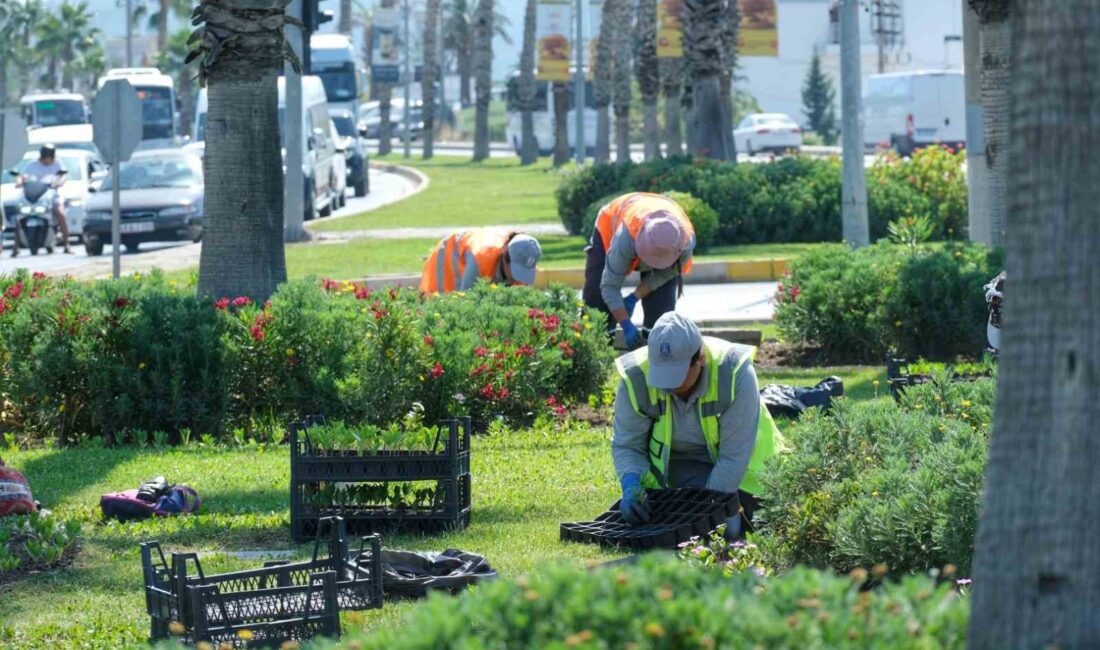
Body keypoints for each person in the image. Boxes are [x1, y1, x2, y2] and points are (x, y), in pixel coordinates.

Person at [611, 312, 786, 538]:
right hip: (682, 471)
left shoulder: (734, 371)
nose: (668, 386)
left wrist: (709, 514)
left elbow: (733, 458)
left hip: (747, 476)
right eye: (662, 375)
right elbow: (627, 445)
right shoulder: (636, 377)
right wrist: (630, 483)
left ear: (700, 358)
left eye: (677, 375)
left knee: (731, 531)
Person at [582, 192, 695, 348]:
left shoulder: (685, 243)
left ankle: (657, 352)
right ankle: (596, 351)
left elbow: (662, 276)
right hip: (611, 225)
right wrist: (626, 324)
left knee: (662, 303)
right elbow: (609, 286)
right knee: (596, 296)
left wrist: (634, 297)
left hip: (656, 225)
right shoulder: (626, 237)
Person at [419, 229, 543, 294]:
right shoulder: (480, 259)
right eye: (515, 271)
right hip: (448, 257)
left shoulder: (526, 258)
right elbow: (467, 300)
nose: (519, 280)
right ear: (506, 258)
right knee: (442, 307)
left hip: (475, 254)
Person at [14, 144, 71, 256]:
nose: (47, 161)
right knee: (19, 217)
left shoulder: (57, 164)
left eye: (50, 158)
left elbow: (63, 175)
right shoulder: (32, 164)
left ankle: (66, 244)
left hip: (51, 194)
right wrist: (20, 182)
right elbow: (22, 175)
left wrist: (60, 182)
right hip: (35, 196)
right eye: (46, 158)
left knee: (60, 213)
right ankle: (15, 247)